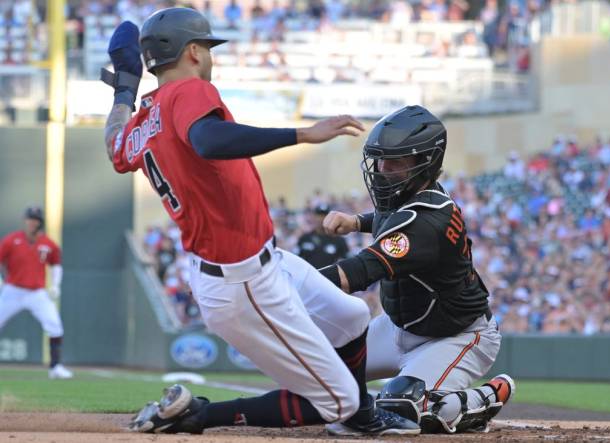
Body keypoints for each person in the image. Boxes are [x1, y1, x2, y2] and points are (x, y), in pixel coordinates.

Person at [100, 8, 418, 436]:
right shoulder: (187, 92)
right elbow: (209, 140)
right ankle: (198, 414)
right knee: (338, 399)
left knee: (352, 317)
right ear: (192, 51)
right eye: (207, 48)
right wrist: (303, 134)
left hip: (254, 263)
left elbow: (114, 143)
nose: (210, 57)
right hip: (241, 279)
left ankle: (361, 416)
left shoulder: (146, 118)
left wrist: (125, 84)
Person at [319, 105, 515, 434]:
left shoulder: (426, 220)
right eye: (380, 159)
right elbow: (391, 222)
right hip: (397, 328)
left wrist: (279, 285)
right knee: (318, 379)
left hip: (456, 337)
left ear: (425, 162)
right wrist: (356, 222)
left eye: (395, 160)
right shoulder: (412, 197)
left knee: (396, 412)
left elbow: (356, 272)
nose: (382, 168)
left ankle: (483, 398)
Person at [0, 207, 73, 379]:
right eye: (30, 219)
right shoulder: (12, 240)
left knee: (54, 325)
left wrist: (55, 285)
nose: (32, 222)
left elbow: (56, 265)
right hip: (13, 290)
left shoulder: (48, 244)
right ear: (25, 220)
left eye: (35, 219)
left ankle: (55, 367)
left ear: (40, 222)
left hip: (36, 293)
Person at [296, 204, 349, 269]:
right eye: (319, 215)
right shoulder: (304, 238)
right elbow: (296, 260)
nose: (321, 219)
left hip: (330, 278)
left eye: (325, 216)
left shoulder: (339, 240)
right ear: (314, 217)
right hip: (309, 277)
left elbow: (345, 263)